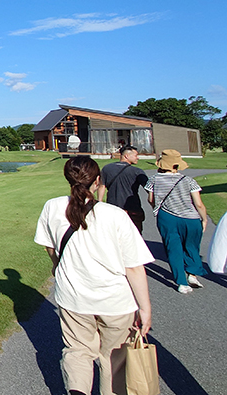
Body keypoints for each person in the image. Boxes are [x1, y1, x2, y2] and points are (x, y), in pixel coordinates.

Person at [35, 156, 153, 395]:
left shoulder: (52, 206)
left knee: (78, 351)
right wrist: (145, 308)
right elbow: (133, 267)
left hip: (73, 298)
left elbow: (50, 248)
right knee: (113, 359)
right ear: (98, 180)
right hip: (115, 301)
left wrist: (59, 267)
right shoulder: (115, 215)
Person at [145, 148, 208, 294]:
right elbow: (198, 203)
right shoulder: (188, 180)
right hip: (191, 218)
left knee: (173, 248)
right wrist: (204, 219)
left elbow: (151, 199)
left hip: (167, 217)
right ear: (177, 165)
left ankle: (181, 282)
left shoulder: (154, 179)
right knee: (192, 247)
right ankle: (192, 274)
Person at [97, 145, 149, 233]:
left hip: (112, 209)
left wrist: (100, 202)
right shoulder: (137, 171)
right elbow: (149, 188)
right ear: (126, 156)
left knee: (114, 235)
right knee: (135, 236)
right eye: (136, 155)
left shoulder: (107, 168)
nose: (138, 158)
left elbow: (102, 186)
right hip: (132, 209)